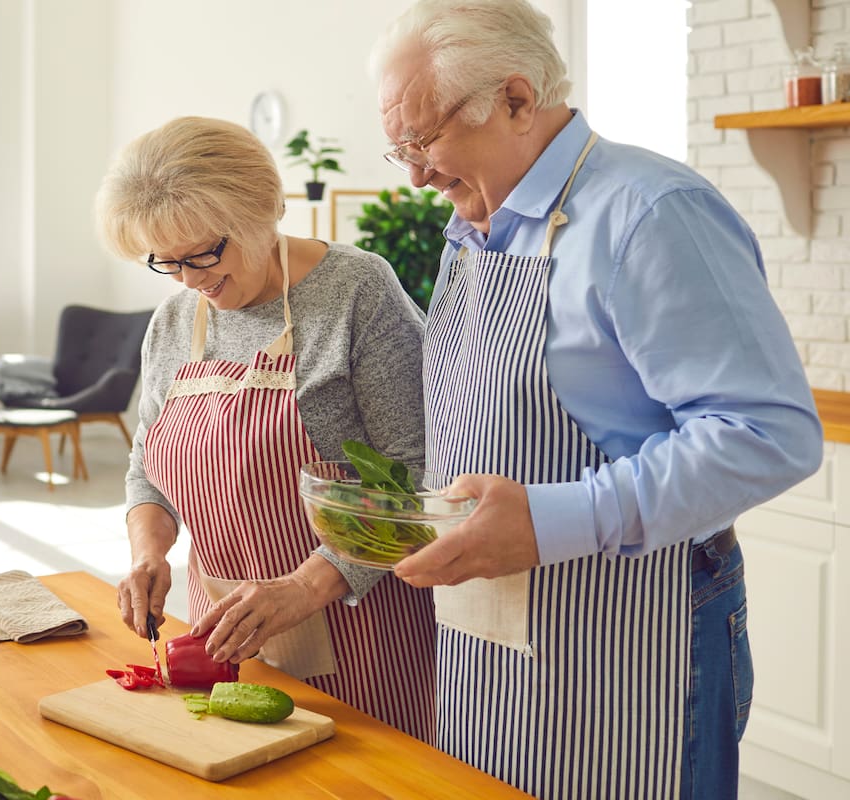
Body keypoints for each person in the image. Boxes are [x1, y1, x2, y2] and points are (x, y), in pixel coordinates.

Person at [368, 1, 824, 798]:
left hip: (639, 625)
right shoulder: (479, 226)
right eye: (398, 146)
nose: (413, 173)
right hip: (494, 633)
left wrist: (548, 522)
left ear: (516, 99)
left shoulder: (649, 213)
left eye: (425, 138)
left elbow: (767, 433)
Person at [93, 116, 436, 741]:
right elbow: (150, 471)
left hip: (360, 632)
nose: (190, 279)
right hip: (225, 639)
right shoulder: (173, 322)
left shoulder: (356, 292)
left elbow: (414, 478)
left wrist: (304, 588)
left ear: (260, 211)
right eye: (165, 263)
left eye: (203, 254)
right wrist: (149, 553)